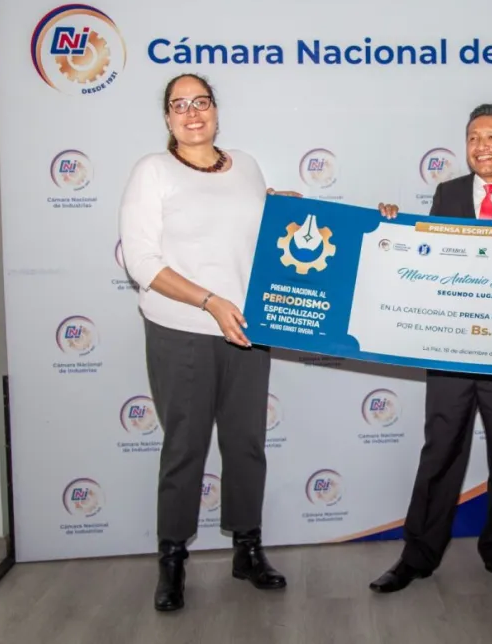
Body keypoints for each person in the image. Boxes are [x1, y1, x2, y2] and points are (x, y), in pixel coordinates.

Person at [119, 73, 301, 612]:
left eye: (201, 102)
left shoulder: (245, 165)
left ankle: (247, 549)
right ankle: (172, 562)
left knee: (246, 444)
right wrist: (210, 301)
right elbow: (142, 261)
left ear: (216, 110)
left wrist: (279, 205)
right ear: (168, 118)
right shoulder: (152, 172)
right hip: (182, 330)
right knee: (185, 449)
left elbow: (247, 226)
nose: (192, 112)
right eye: (180, 105)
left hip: (247, 329)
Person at [370, 103, 492, 593]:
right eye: (473, 137)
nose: (481, 146)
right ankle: (417, 555)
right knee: (440, 452)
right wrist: (394, 228)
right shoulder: (448, 192)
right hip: (451, 351)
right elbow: (430, 259)